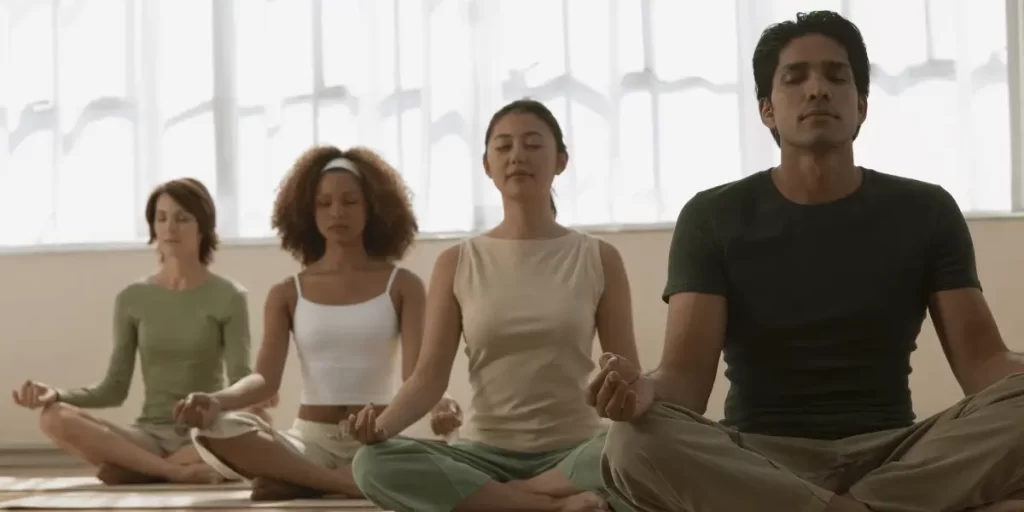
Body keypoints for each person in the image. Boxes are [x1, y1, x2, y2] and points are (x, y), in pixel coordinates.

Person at [588, 10, 1024, 512]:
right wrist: (641, 390)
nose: (817, 89)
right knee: (631, 443)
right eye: (795, 78)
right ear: (767, 109)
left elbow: (986, 365)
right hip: (760, 458)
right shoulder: (713, 216)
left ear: (861, 105)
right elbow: (684, 382)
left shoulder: (926, 210)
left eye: (836, 76)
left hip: (896, 455)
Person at [348, 99, 640, 512]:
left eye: (533, 144)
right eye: (503, 146)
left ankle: (506, 501)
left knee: (646, 449)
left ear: (561, 160)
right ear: (487, 165)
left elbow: (625, 370)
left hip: (576, 454)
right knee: (371, 463)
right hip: (483, 456)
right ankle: (545, 504)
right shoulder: (457, 262)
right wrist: (380, 427)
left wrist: (638, 412)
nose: (517, 155)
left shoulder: (598, 257)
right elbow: (428, 377)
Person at [174, 146, 455, 502]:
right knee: (212, 430)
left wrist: (442, 404)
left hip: (378, 439)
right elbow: (264, 380)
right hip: (308, 442)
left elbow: (417, 374)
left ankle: (301, 481)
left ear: (372, 206)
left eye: (350, 201)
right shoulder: (287, 293)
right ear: (308, 211)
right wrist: (216, 401)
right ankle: (341, 482)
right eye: (324, 203)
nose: (337, 212)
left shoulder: (403, 285)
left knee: (451, 463)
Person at [11, 178, 271, 486]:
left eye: (182, 218)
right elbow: (114, 388)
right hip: (147, 436)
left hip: (204, 434)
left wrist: (252, 400)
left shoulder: (229, 296)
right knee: (53, 417)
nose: (170, 228)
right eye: (161, 218)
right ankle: (173, 471)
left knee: (260, 424)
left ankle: (137, 468)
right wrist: (56, 394)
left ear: (203, 227)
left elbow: (240, 379)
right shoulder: (132, 298)